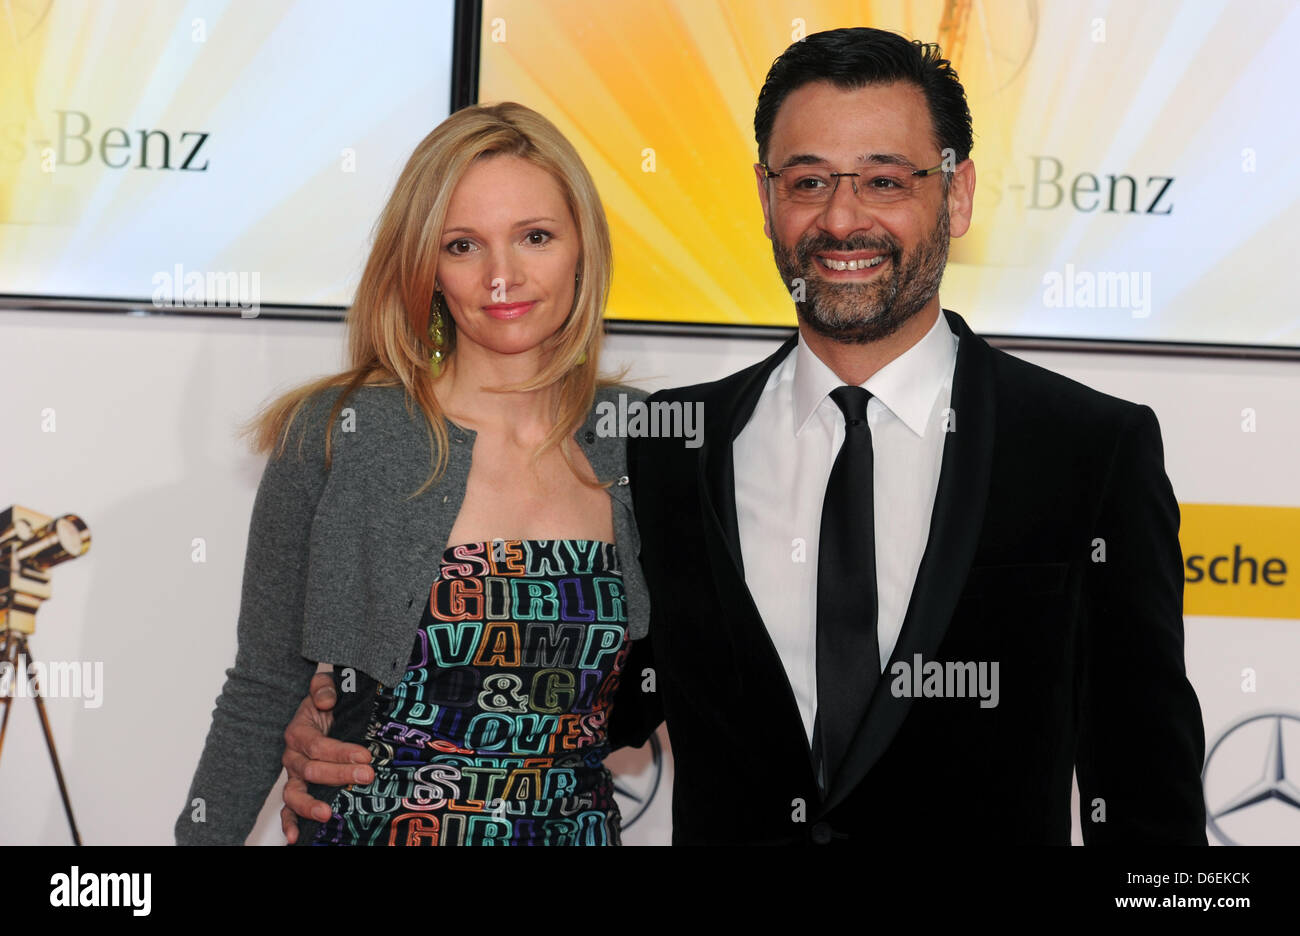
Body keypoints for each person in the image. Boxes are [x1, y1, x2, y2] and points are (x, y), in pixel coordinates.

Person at [280, 27, 1208, 846]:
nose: (842, 218)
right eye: (808, 182)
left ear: (956, 196)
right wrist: (349, 725)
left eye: (885, 180)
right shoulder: (665, 451)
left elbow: (1148, 792)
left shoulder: (1090, 450)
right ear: (766, 199)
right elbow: (578, 692)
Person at [175, 101, 650, 846]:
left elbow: (715, 678)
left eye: (535, 236)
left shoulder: (646, 442)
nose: (503, 276)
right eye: (463, 245)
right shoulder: (338, 437)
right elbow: (265, 688)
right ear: (424, 265)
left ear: (583, 247)